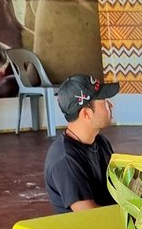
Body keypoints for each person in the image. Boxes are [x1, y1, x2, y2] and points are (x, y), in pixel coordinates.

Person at [44, 74, 119, 213]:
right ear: (86, 114)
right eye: (104, 101)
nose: (111, 105)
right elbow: (88, 215)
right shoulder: (65, 159)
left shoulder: (100, 142)